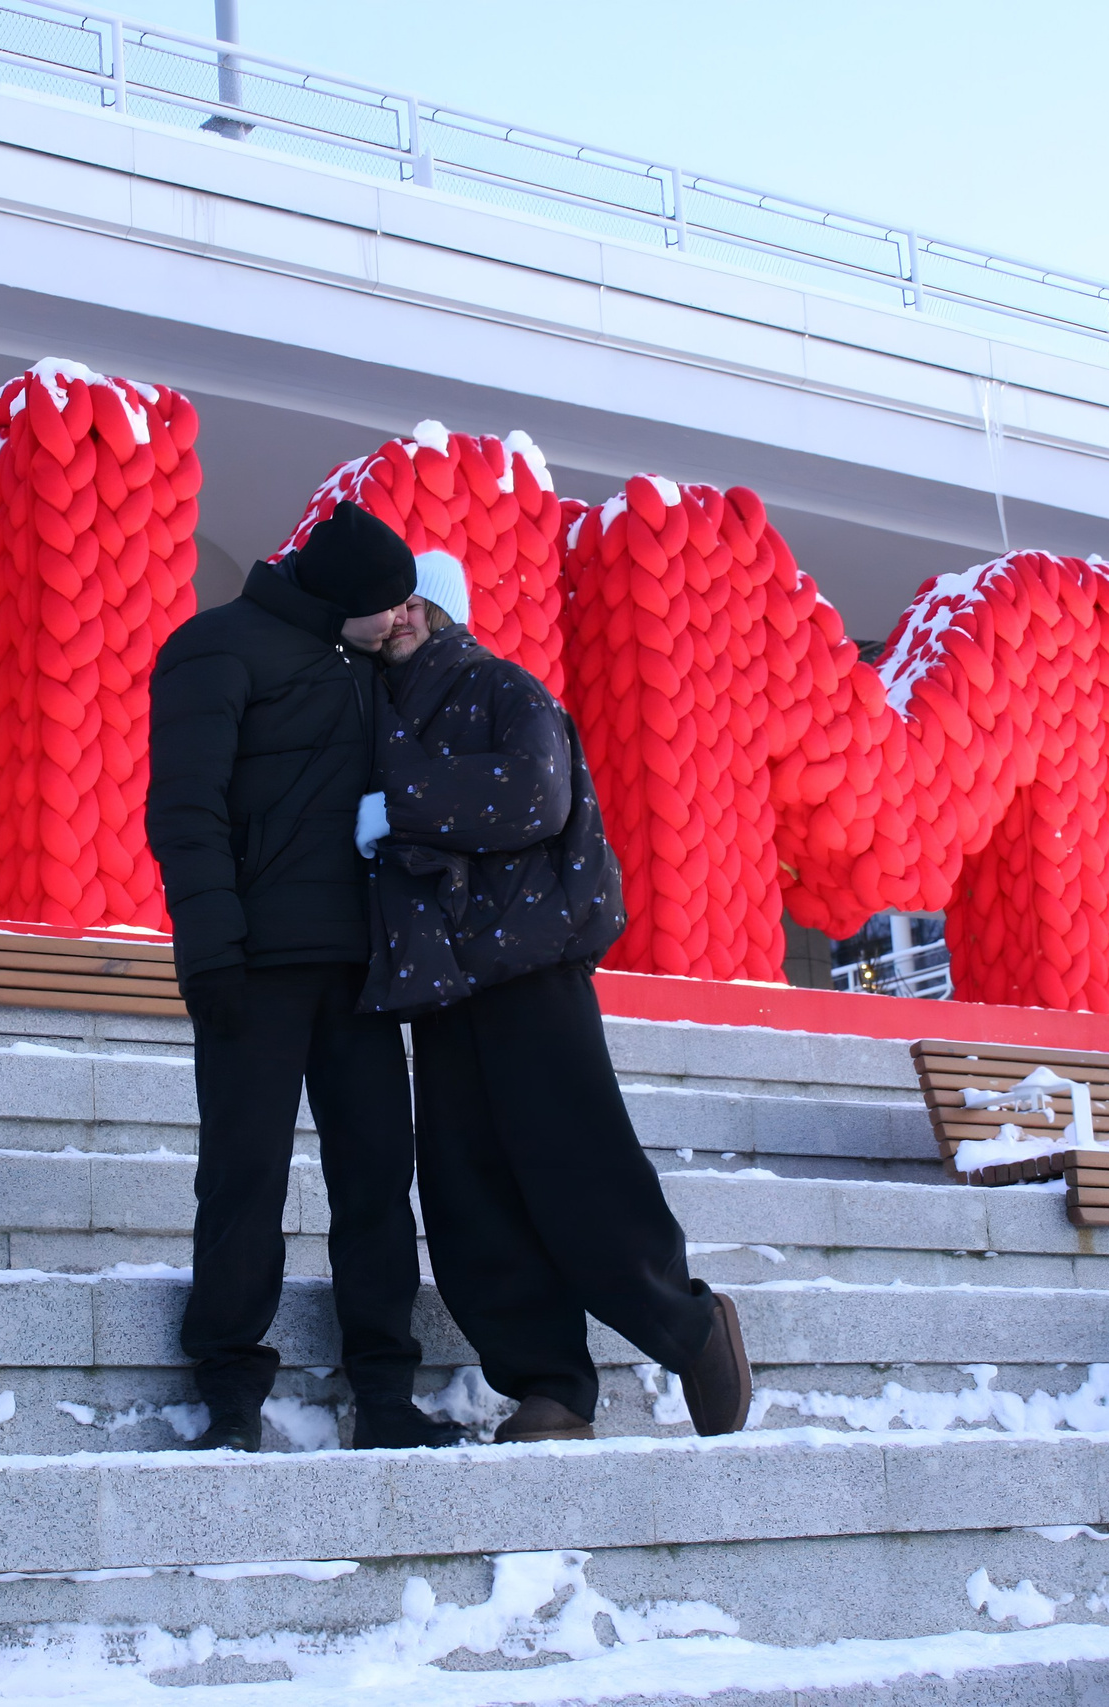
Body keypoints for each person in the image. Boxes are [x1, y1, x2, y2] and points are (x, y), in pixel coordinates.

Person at [354, 549, 753, 1444]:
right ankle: (552, 1387)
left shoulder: (506, 689)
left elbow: (533, 793)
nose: (406, 613)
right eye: (395, 601)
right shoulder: (373, 707)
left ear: (448, 611)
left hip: (530, 970)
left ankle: (690, 1326)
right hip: (440, 985)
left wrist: (399, 803)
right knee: (466, 1197)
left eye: (422, 599)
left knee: (581, 1169)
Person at [145, 502, 466, 1453]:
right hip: (254, 965)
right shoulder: (213, 648)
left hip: (362, 970)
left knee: (376, 1179)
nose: (401, 619)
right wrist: (209, 951)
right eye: (389, 605)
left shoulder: (370, 663)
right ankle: (232, 1397)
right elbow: (185, 809)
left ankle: (385, 1397)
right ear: (340, 600)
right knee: (243, 1177)